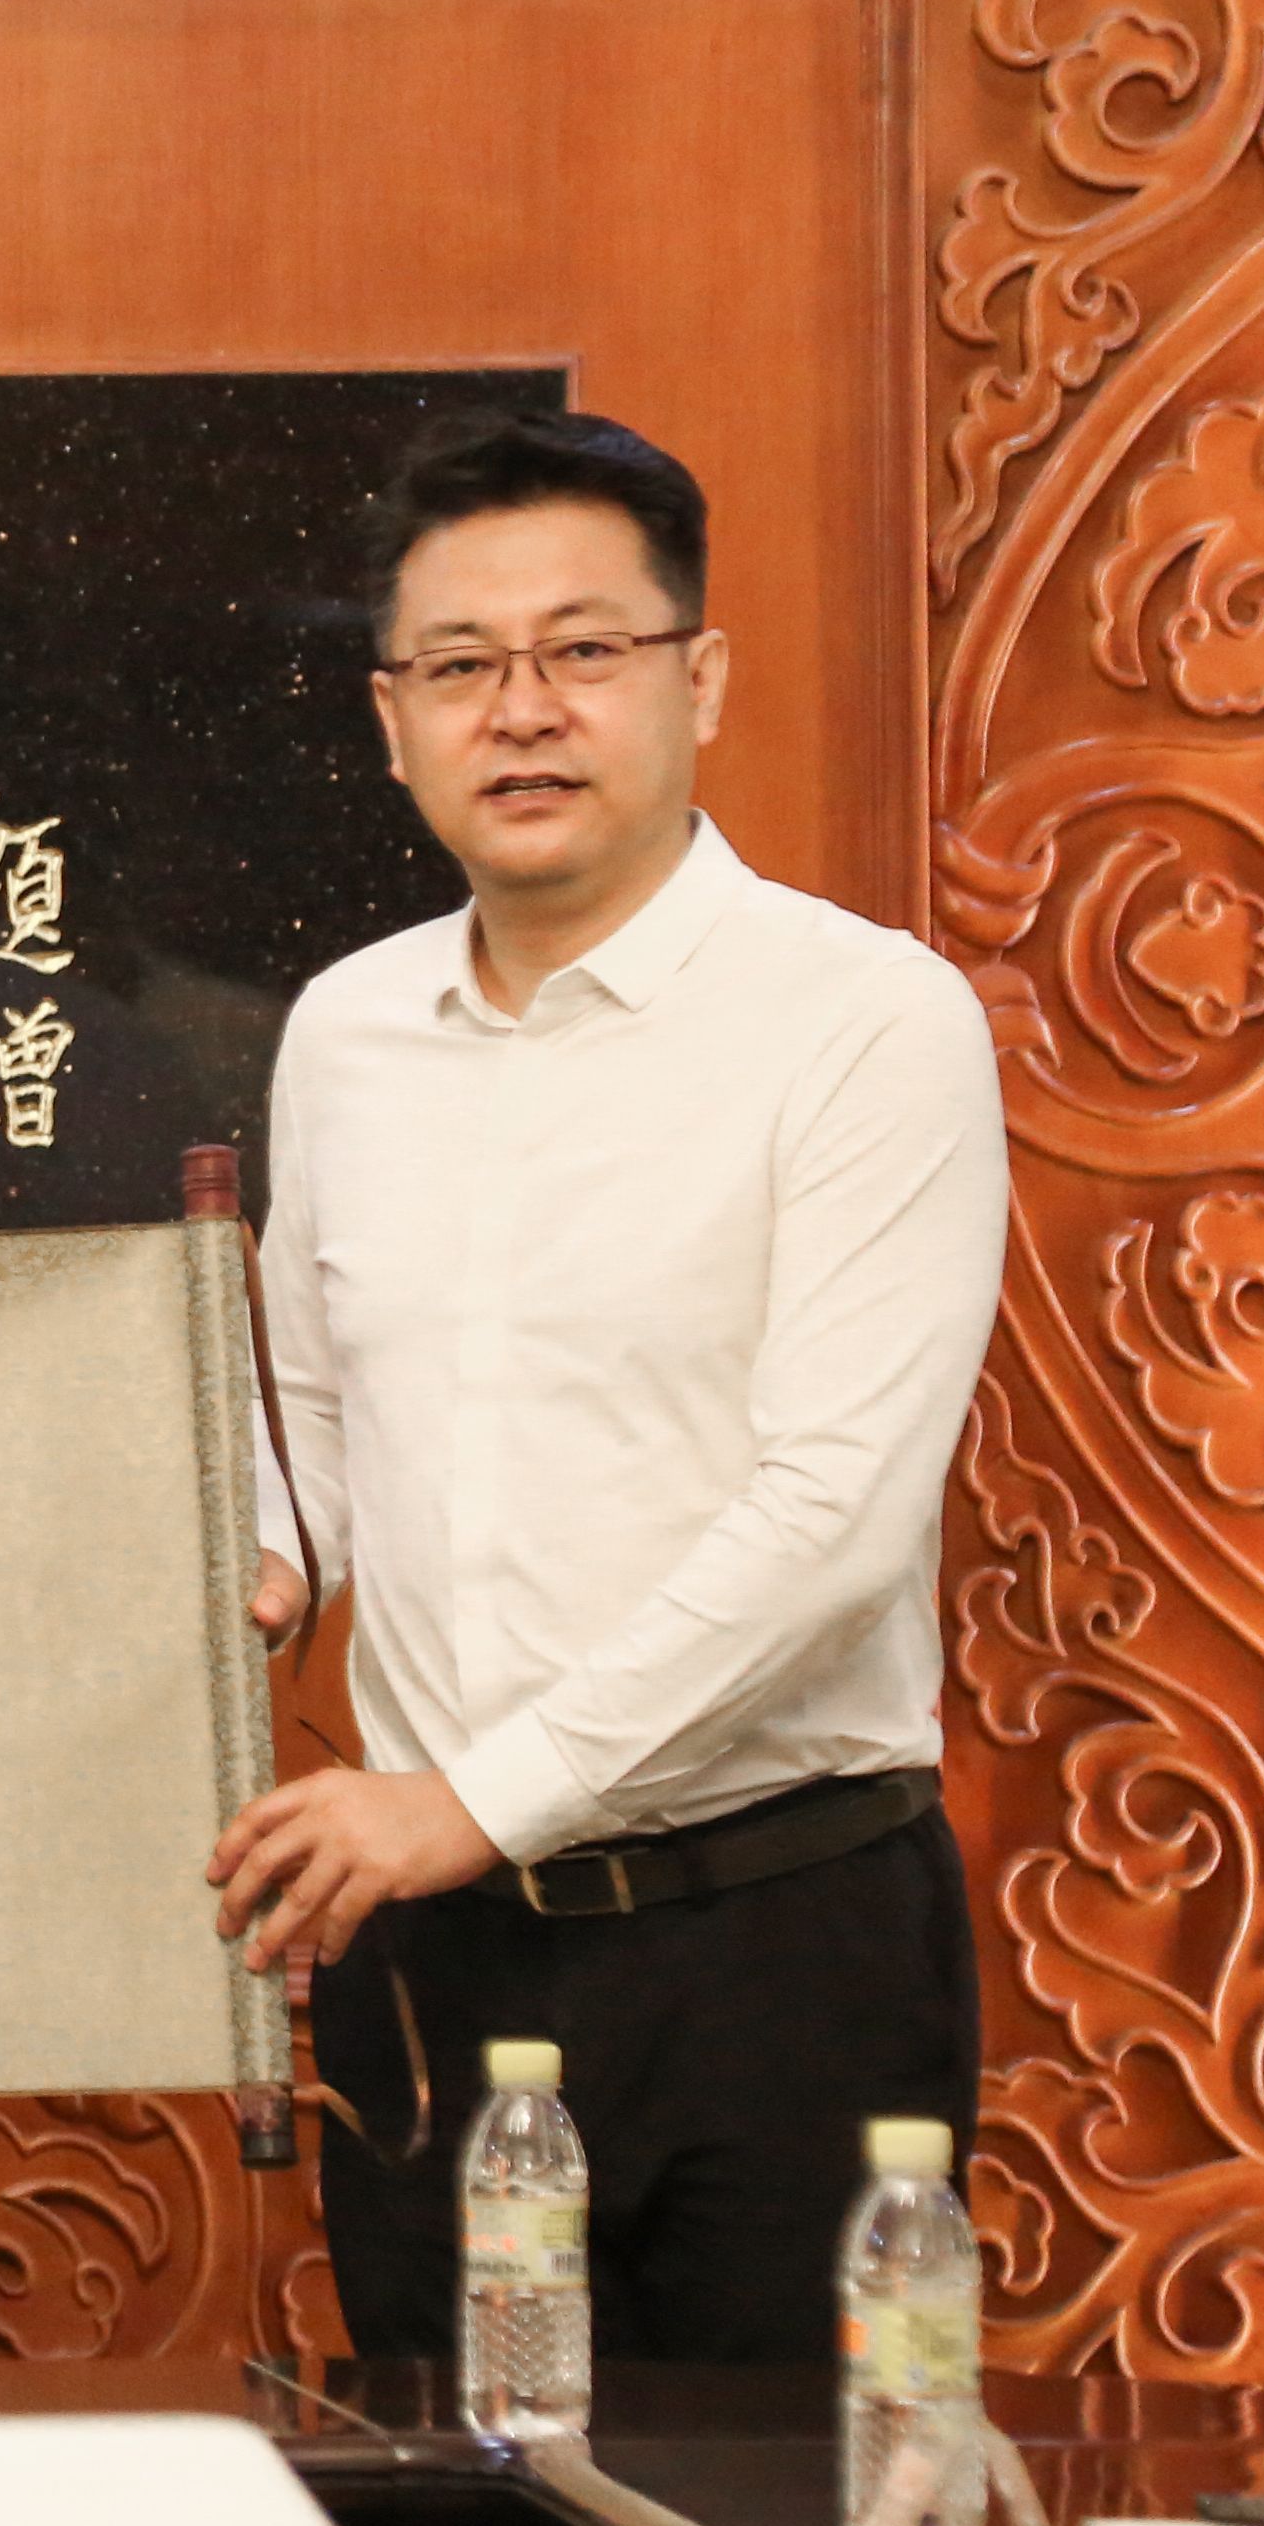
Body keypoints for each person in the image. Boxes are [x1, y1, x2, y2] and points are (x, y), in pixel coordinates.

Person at [203, 410, 1007, 2365]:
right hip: (432, 1961)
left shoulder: (864, 1022)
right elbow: (306, 1429)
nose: (523, 711)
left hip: (779, 1943)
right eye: (460, 665)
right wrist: (236, 1565)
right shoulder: (348, 1033)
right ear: (393, 722)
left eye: (584, 649)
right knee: (460, 2486)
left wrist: (473, 1804)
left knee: (785, 2496)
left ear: (698, 681)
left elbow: (835, 1517)